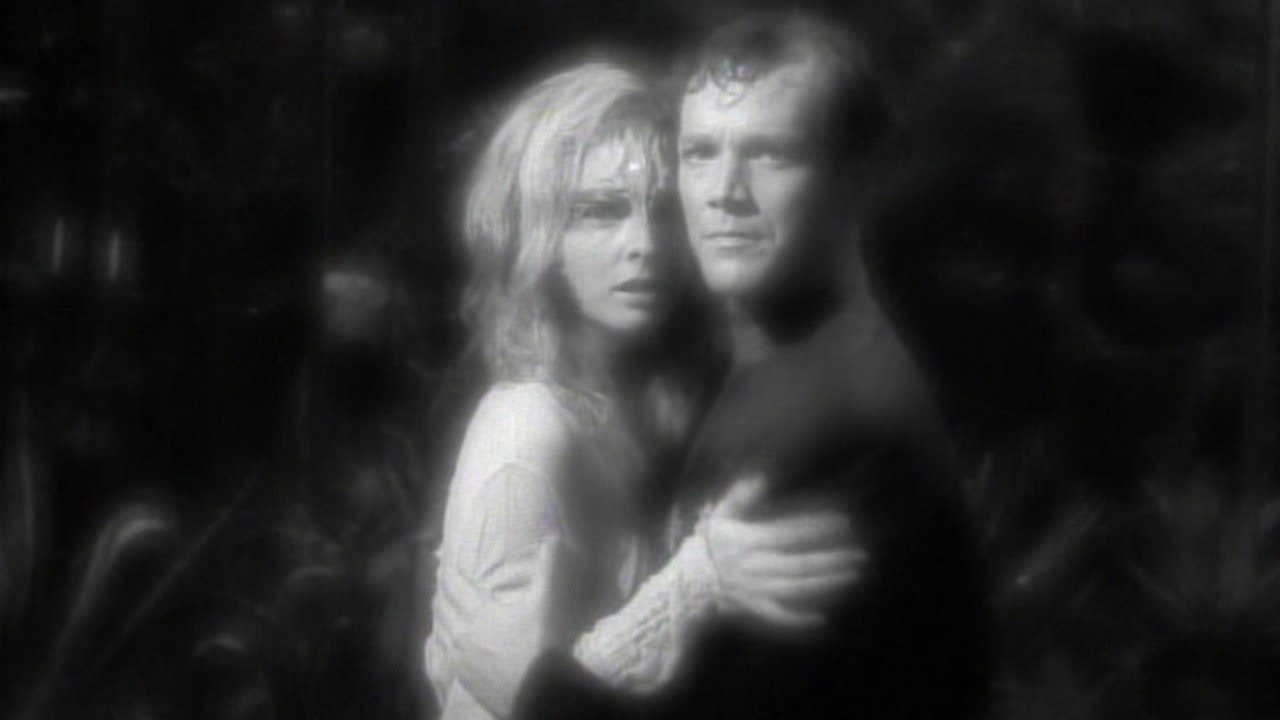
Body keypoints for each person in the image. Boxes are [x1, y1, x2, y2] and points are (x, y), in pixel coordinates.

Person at [510, 14, 992, 720]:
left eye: (770, 155)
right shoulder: (778, 364)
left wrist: (580, 661)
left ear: (851, 180)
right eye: (700, 153)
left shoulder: (841, 427)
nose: (724, 192)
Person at [423, 62, 868, 720]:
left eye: (664, 210)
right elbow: (494, 701)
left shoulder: (656, 406)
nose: (645, 244)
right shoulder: (524, 431)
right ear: (537, 234)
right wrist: (693, 587)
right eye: (600, 212)